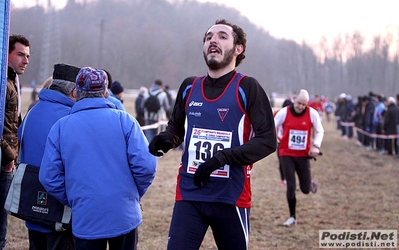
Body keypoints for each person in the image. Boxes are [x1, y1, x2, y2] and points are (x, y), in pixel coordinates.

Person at [148, 19, 276, 249]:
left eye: (222, 36)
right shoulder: (189, 86)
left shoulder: (247, 87)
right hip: (190, 192)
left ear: (239, 49)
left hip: (230, 196)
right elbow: (176, 128)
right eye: (208, 37)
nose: (213, 40)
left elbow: (267, 141)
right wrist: (167, 138)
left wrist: (221, 158)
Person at [39, 67, 157, 250]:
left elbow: (49, 176)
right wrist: (131, 195)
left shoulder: (61, 127)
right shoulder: (125, 122)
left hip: (86, 215)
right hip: (124, 213)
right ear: (106, 91)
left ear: (77, 91)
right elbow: (147, 166)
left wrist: (73, 198)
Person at [18, 63, 80, 250]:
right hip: (59, 209)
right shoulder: (70, 117)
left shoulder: (32, 111)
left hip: (31, 204)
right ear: (74, 91)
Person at [274, 89, 324, 227]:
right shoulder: (284, 112)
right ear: (294, 99)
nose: (300, 107)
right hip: (286, 153)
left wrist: (316, 146)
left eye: (304, 104)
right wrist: (274, 140)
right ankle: (292, 217)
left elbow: (320, 130)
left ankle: (310, 184)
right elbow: (272, 125)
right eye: (299, 103)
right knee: (291, 186)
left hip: (303, 155)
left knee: (305, 189)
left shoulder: (312, 113)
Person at [0, 34, 30, 249]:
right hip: (4, 160)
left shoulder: (13, 80)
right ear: (6, 53)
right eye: (20, 54)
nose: (26, 61)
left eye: (27, 56)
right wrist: (9, 156)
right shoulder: (3, 81)